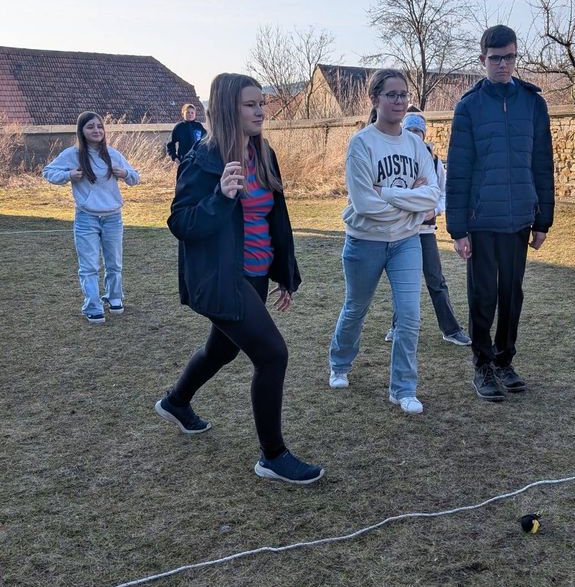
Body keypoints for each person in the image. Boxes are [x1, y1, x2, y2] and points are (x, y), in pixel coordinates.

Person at [155, 73, 324, 486]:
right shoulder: (203, 159)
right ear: (229, 108)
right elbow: (181, 222)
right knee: (272, 355)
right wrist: (220, 198)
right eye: (251, 105)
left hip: (256, 275)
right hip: (221, 278)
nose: (261, 111)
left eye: (262, 103)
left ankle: (177, 402)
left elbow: (275, 219)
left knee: (222, 350)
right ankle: (273, 456)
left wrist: (284, 273)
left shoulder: (263, 152)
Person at [445, 24, 555, 402]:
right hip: (481, 220)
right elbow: (458, 170)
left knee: (512, 293)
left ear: (515, 56)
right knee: (483, 295)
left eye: (509, 56)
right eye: (495, 58)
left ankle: (505, 360)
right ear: (482, 60)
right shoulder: (469, 106)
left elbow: (542, 163)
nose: (503, 64)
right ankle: (483, 364)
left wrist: (543, 220)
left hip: (520, 217)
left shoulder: (533, 103)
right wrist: (458, 228)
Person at [328, 70, 440, 415]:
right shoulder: (361, 143)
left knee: (409, 315)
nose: (399, 102)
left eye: (403, 95)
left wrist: (390, 194)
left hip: (406, 241)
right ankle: (340, 363)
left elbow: (433, 196)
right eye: (391, 95)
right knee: (356, 308)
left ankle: (403, 388)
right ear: (374, 99)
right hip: (365, 241)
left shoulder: (415, 143)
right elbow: (364, 204)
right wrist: (410, 204)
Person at [384, 108, 471, 348]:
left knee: (436, 281)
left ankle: (451, 330)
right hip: (401, 230)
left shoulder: (434, 162)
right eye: (409, 129)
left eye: (417, 130)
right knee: (403, 282)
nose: (413, 134)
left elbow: (442, 194)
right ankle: (397, 326)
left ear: (423, 134)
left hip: (424, 232)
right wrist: (414, 194)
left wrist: (435, 209)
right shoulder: (395, 158)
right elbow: (392, 192)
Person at [43, 112, 140, 323]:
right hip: (86, 218)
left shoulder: (113, 154)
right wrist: (68, 175)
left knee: (114, 262)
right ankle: (93, 306)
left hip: (113, 217)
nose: (96, 130)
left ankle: (115, 299)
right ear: (81, 131)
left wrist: (124, 174)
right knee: (89, 266)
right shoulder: (72, 154)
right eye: (90, 127)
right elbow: (48, 172)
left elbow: (135, 177)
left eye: (99, 126)